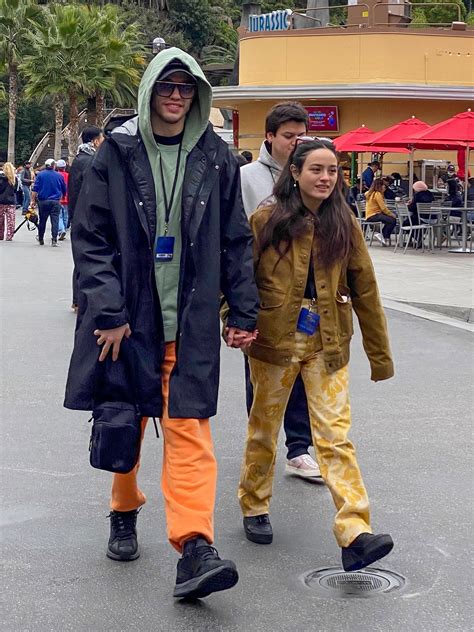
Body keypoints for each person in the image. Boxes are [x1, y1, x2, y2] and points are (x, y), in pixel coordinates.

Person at [64, 48, 259, 600]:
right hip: (130, 320)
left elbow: (236, 240)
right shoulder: (116, 154)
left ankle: (195, 546)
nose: (176, 96)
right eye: (167, 86)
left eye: (186, 87)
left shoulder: (216, 157)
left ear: (197, 94)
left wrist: (244, 312)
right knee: (125, 421)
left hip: (190, 321)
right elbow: (91, 239)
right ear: (151, 89)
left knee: (190, 431)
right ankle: (123, 509)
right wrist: (108, 313)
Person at [237, 138, 394, 572]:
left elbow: (366, 289)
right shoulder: (266, 219)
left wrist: (379, 355)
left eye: (332, 170)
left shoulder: (345, 222)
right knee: (264, 429)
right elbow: (240, 277)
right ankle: (254, 504)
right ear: (296, 173)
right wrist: (235, 318)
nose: (325, 178)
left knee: (335, 436)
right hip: (272, 341)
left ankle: (354, 531)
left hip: (328, 343)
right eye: (316, 170)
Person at [240, 102, 321, 480]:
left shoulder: (312, 174)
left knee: (303, 372)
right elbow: (239, 236)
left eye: (301, 135)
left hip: (306, 294)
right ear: (269, 136)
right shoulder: (246, 177)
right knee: (260, 375)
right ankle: (262, 443)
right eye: (289, 136)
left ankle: (299, 448)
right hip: (262, 293)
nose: (296, 142)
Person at [68, 126, 104, 310]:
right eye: (102, 138)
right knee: (90, 259)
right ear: (95, 141)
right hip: (88, 218)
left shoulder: (78, 160)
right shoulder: (91, 161)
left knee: (80, 260)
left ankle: (77, 300)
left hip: (77, 217)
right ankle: (83, 301)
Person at [31, 158, 66, 247]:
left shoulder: (40, 175)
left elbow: (35, 189)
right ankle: (54, 240)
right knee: (55, 220)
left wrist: (33, 201)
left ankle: (41, 238)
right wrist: (63, 196)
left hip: (43, 201)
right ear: (54, 166)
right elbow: (64, 188)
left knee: (42, 220)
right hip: (55, 201)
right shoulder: (59, 176)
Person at [364, 178, 397, 246]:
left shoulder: (370, 193)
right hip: (374, 215)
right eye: (383, 185)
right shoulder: (378, 194)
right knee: (393, 220)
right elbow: (383, 208)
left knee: (389, 220)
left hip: (369, 215)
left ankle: (383, 236)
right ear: (380, 186)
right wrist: (391, 214)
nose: (384, 187)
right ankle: (383, 236)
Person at [0, 162, 22, 241]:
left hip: (1, 201)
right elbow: (16, 190)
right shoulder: (14, 179)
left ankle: (0, 235)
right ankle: (9, 236)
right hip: (11, 201)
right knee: (11, 220)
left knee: (1, 220)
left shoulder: (1, 178)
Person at [56, 159, 69, 240]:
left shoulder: (56, 175)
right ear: (65, 167)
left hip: (58, 198)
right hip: (67, 198)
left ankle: (61, 230)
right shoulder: (68, 175)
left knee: (59, 216)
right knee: (66, 216)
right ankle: (64, 228)